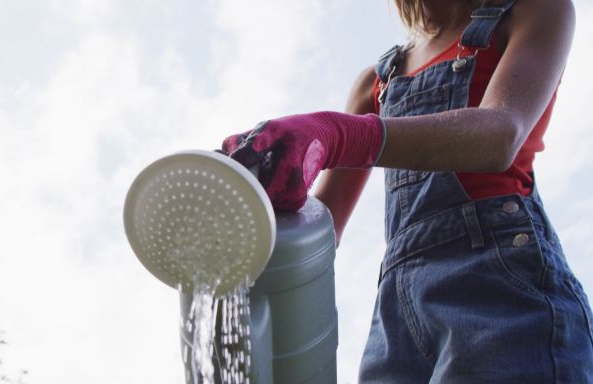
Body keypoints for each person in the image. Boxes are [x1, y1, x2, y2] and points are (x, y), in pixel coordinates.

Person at [220, 0, 593, 382]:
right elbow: (321, 230)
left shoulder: (535, 10)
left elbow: (501, 133)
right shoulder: (378, 80)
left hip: (501, 292)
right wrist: (254, 212)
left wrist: (336, 134)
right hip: (394, 324)